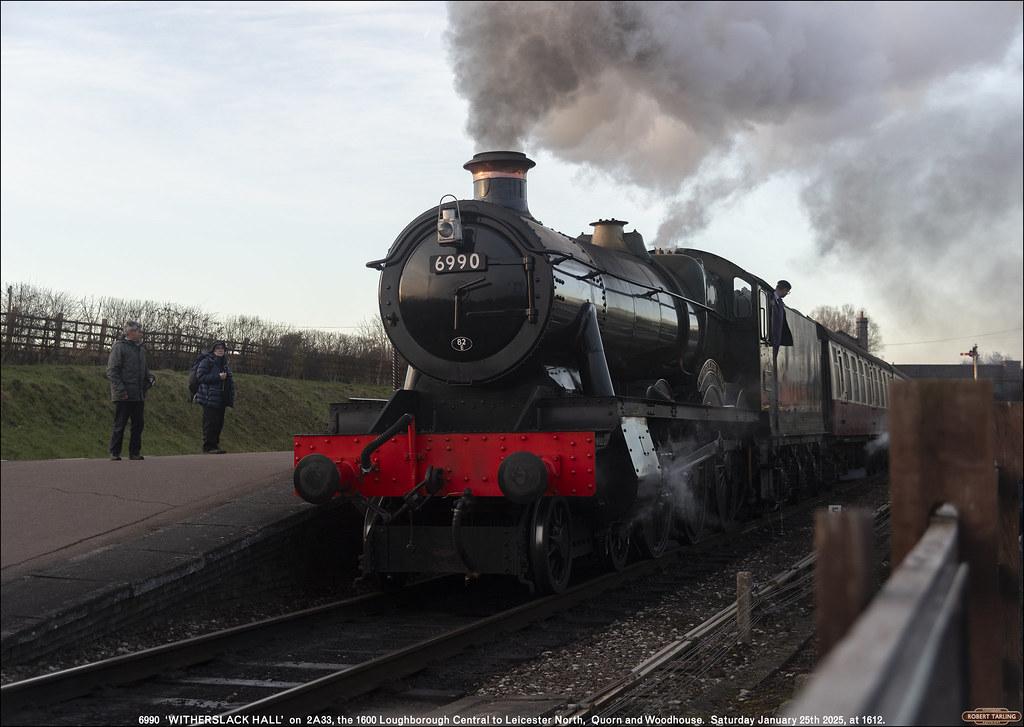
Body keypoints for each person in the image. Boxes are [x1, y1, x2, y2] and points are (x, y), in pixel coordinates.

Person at [106, 321, 155, 461]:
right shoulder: (119, 347)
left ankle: (134, 452)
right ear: (131, 332)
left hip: (139, 394)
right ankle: (115, 452)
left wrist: (150, 378)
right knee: (120, 424)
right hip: (124, 394)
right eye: (138, 331)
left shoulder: (140, 349)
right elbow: (112, 371)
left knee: (138, 425)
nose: (141, 333)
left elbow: (144, 370)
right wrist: (121, 390)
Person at [194, 340, 235, 454]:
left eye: (222, 348)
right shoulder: (207, 362)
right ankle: (208, 446)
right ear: (213, 350)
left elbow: (230, 381)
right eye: (218, 348)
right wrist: (217, 377)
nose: (220, 350)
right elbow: (201, 377)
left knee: (219, 422)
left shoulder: (225, 364)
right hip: (209, 397)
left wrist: (230, 396)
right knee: (210, 422)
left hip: (221, 398)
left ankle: (215, 445)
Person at [770, 279, 794, 358]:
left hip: (777, 340)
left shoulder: (780, 304)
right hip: (770, 339)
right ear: (783, 289)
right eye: (787, 292)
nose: (787, 294)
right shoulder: (769, 297)